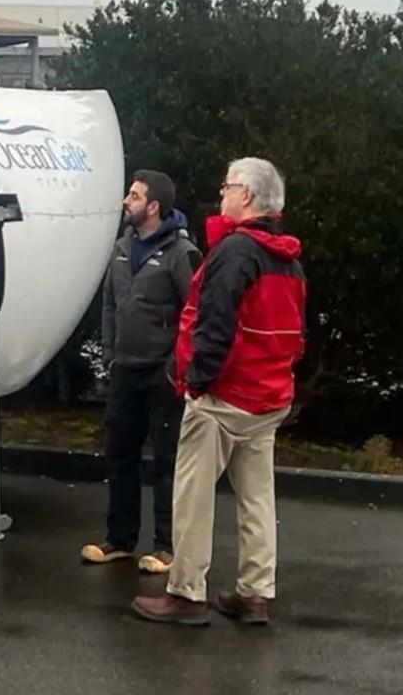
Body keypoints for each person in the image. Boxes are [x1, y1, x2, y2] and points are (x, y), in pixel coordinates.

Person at [132, 157, 307, 626]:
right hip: (268, 396)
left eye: (228, 187)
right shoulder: (287, 259)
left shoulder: (234, 252)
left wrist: (196, 383)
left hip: (225, 396)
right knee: (257, 497)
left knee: (192, 494)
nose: (222, 194)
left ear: (247, 196)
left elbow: (214, 322)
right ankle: (255, 592)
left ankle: (186, 593)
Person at [82, 170, 200, 573]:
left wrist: (175, 365)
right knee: (119, 454)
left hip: (162, 373)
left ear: (154, 207)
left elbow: (194, 311)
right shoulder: (121, 248)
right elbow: (110, 305)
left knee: (166, 461)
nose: (125, 202)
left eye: (133, 196)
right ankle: (119, 540)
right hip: (125, 370)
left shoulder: (180, 253)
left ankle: (167, 546)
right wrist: (111, 354)